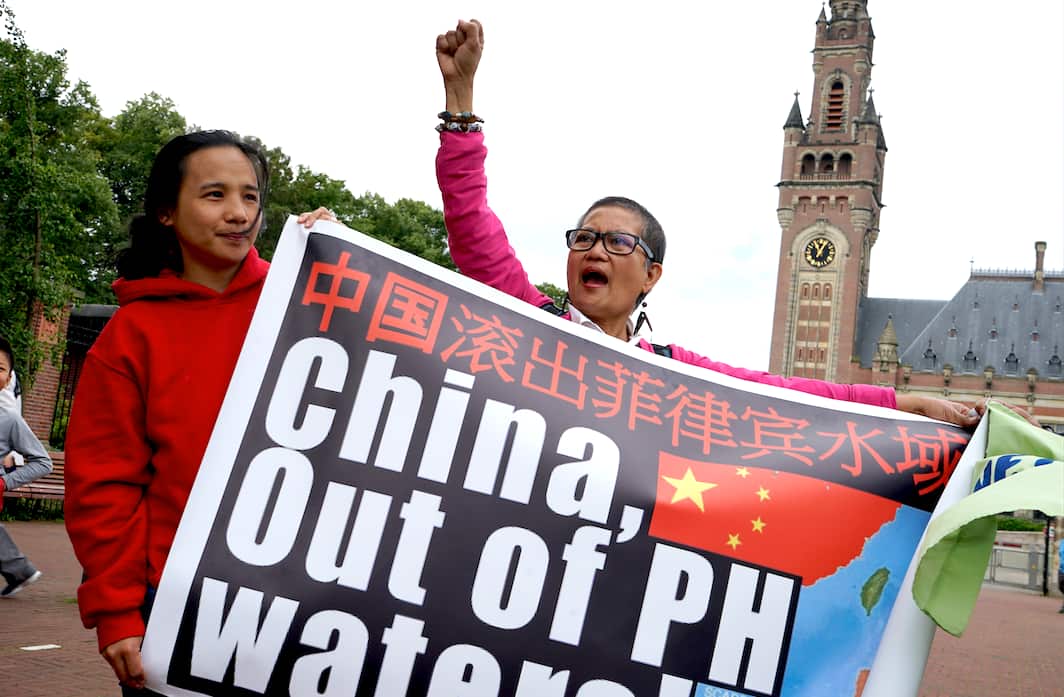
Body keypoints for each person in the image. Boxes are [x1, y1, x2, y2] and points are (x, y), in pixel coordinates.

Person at [433, 19, 994, 426]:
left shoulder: (675, 375)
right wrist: (461, 102)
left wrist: (909, 403)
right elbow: (470, 227)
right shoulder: (531, 319)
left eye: (617, 241)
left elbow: (788, 392)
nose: (595, 250)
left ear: (652, 275)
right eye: (584, 238)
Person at [64, 130, 336, 694]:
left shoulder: (309, 296)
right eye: (215, 195)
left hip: (314, 601)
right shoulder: (130, 337)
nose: (239, 213)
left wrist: (346, 267)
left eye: (252, 196)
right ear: (167, 212)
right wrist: (117, 613)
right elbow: (103, 487)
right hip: (178, 604)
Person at [0, 335, 53, 597]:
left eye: (0, 368)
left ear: (9, 378)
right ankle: (20, 570)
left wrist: (4, 481)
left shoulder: (8, 417)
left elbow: (44, 462)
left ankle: (20, 570)